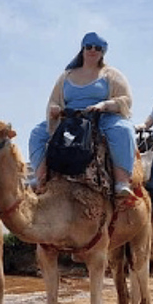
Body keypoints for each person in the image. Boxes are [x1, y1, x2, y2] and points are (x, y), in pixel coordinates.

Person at [44, 31, 136, 198]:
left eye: (98, 48)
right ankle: (39, 177)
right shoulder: (66, 76)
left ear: (102, 52)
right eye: (89, 47)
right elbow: (54, 100)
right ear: (82, 49)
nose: (93, 50)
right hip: (69, 118)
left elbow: (125, 99)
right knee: (38, 133)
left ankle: (122, 180)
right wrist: (55, 109)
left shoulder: (111, 75)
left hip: (101, 117)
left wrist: (104, 105)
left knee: (123, 130)